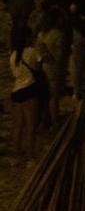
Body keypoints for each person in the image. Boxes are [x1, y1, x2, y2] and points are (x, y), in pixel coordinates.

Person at [9, 33, 50, 166]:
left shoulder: (13, 55)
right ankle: (30, 157)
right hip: (30, 91)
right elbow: (46, 61)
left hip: (16, 91)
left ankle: (15, 156)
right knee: (30, 126)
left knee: (18, 126)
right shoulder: (31, 52)